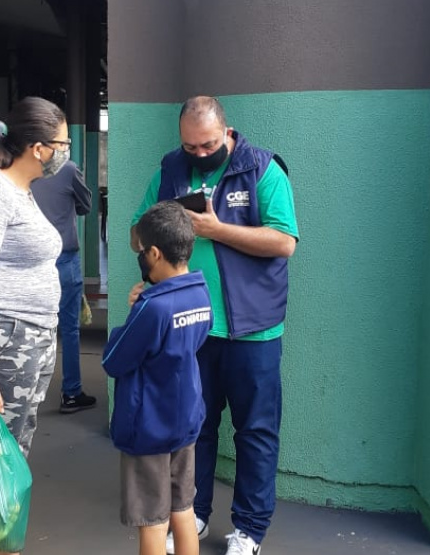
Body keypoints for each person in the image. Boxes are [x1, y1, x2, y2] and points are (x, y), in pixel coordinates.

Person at [130, 96, 299, 555]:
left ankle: (249, 530)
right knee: (192, 429)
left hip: (254, 331)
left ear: (227, 132)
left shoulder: (263, 169)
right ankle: (194, 515)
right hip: (189, 328)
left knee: (256, 431)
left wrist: (215, 229)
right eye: (190, 147)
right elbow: (137, 232)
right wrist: (147, 275)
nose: (200, 154)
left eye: (207, 145)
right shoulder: (170, 170)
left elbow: (284, 242)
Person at [0, 96, 72, 555]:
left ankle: (0, 542)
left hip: (31, 338)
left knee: (9, 452)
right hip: (7, 341)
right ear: (40, 147)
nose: (66, 152)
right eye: (62, 143)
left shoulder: (20, 189)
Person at [103, 201, 212, 555]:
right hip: (185, 421)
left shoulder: (153, 307)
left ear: (154, 252)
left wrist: (133, 312)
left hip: (149, 427)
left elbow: (114, 360)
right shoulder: (201, 293)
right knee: (183, 509)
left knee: (152, 519)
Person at [30, 160, 98, 413]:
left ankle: (27, 394)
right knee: (69, 329)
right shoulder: (69, 169)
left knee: (33, 326)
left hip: (32, 259)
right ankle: (71, 393)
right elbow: (86, 205)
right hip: (64, 258)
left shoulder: (21, 166)